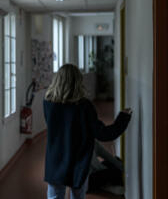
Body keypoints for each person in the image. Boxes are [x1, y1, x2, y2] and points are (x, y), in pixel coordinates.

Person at [43, 64, 132, 199]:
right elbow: (103, 134)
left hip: (55, 161)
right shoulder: (84, 106)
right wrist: (123, 117)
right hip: (78, 164)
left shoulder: (48, 103)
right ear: (78, 81)